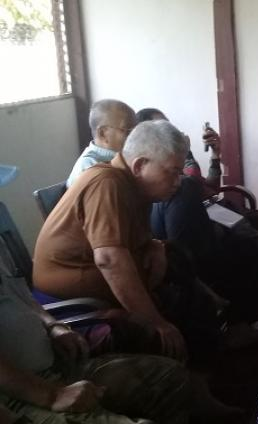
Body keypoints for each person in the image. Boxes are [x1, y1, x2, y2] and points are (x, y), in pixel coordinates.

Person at [138, 108, 258, 325]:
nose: (170, 132)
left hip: (217, 207)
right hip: (206, 215)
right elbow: (186, 189)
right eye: (162, 128)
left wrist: (215, 155)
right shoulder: (159, 166)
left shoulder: (178, 155)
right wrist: (186, 155)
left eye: (169, 126)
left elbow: (210, 186)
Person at [34, 120, 190, 361]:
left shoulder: (137, 188)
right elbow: (109, 259)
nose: (177, 182)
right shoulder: (107, 183)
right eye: (173, 172)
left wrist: (154, 245)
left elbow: (134, 239)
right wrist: (155, 321)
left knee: (177, 258)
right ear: (139, 165)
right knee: (162, 326)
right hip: (71, 302)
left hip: (101, 291)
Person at [0, 272, 189, 423]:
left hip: (57, 362)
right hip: (20, 392)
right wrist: (52, 395)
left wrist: (53, 326)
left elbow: (22, 296)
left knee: (169, 379)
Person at [67, 100, 136, 187]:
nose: (134, 136)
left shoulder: (124, 156)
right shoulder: (91, 168)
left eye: (136, 130)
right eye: (128, 131)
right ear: (102, 134)